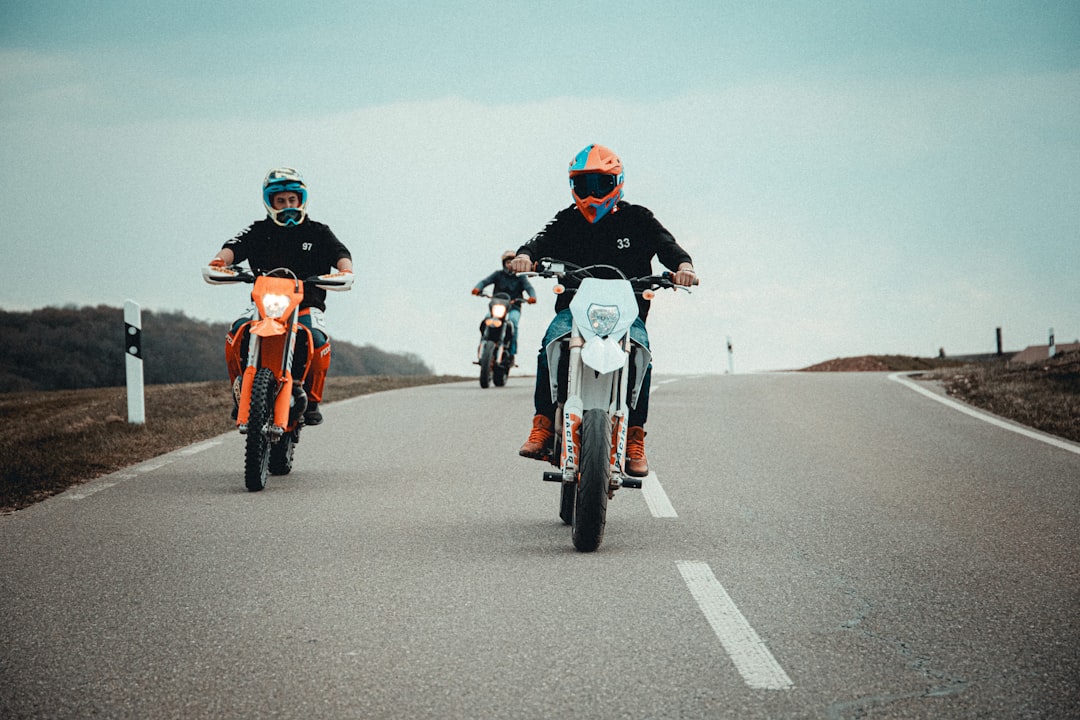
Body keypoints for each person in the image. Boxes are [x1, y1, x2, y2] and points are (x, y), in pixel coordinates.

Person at [510, 144, 697, 477]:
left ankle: (635, 436)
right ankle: (542, 425)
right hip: (575, 310)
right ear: (573, 187)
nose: (592, 193)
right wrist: (525, 256)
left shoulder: (638, 218)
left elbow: (668, 246)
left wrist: (683, 265)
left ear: (617, 182)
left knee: (642, 353)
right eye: (584, 185)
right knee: (549, 345)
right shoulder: (567, 219)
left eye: (600, 184)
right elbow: (538, 241)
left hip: (627, 314)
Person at [207, 167, 353, 426]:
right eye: (281, 201)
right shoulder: (258, 231)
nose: (288, 205)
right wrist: (220, 261)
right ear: (270, 202)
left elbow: (340, 252)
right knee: (235, 333)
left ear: (301, 200)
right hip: (263, 307)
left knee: (318, 340)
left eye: (292, 200)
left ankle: (312, 399)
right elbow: (233, 246)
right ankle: (240, 391)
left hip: (306, 305)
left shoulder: (318, 232)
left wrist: (345, 270)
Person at [471, 250, 537, 357]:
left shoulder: (520, 277)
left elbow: (529, 287)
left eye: (512, 262)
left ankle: (512, 352)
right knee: (487, 319)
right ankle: (483, 346)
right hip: (496, 306)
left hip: (514, 307)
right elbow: (484, 281)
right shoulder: (498, 275)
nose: (510, 264)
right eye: (507, 262)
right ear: (504, 264)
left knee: (513, 323)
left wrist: (532, 296)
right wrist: (477, 288)